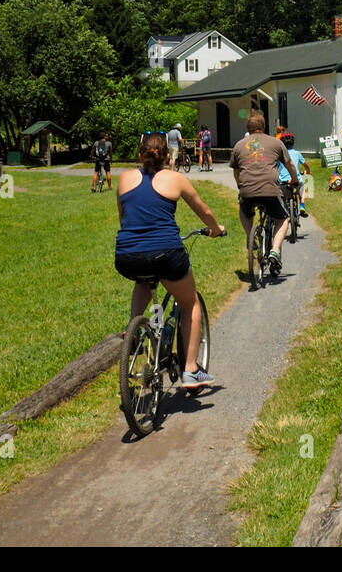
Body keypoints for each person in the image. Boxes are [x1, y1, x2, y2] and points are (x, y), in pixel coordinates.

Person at [114, 132, 226, 389]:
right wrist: (216, 229)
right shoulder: (175, 179)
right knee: (190, 302)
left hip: (127, 255)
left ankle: (134, 329)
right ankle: (190, 370)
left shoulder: (124, 179)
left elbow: (123, 218)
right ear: (168, 155)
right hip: (166, 253)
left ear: (140, 154)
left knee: (143, 280)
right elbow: (204, 210)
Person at [231, 111, 299, 276]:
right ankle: (275, 250)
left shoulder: (239, 145)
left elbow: (236, 170)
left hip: (247, 190)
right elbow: (289, 163)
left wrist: (240, 185)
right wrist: (294, 179)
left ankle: (250, 236)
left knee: (244, 209)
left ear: (248, 127)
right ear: (263, 127)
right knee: (282, 219)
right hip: (270, 189)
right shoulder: (275, 143)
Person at [278, 132, 312, 216]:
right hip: (295, 180)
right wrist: (307, 171)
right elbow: (306, 165)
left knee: (283, 196)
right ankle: (302, 205)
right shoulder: (297, 153)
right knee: (303, 185)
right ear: (293, 143)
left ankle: (284, 209)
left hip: (283, 181)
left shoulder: (279, 154)